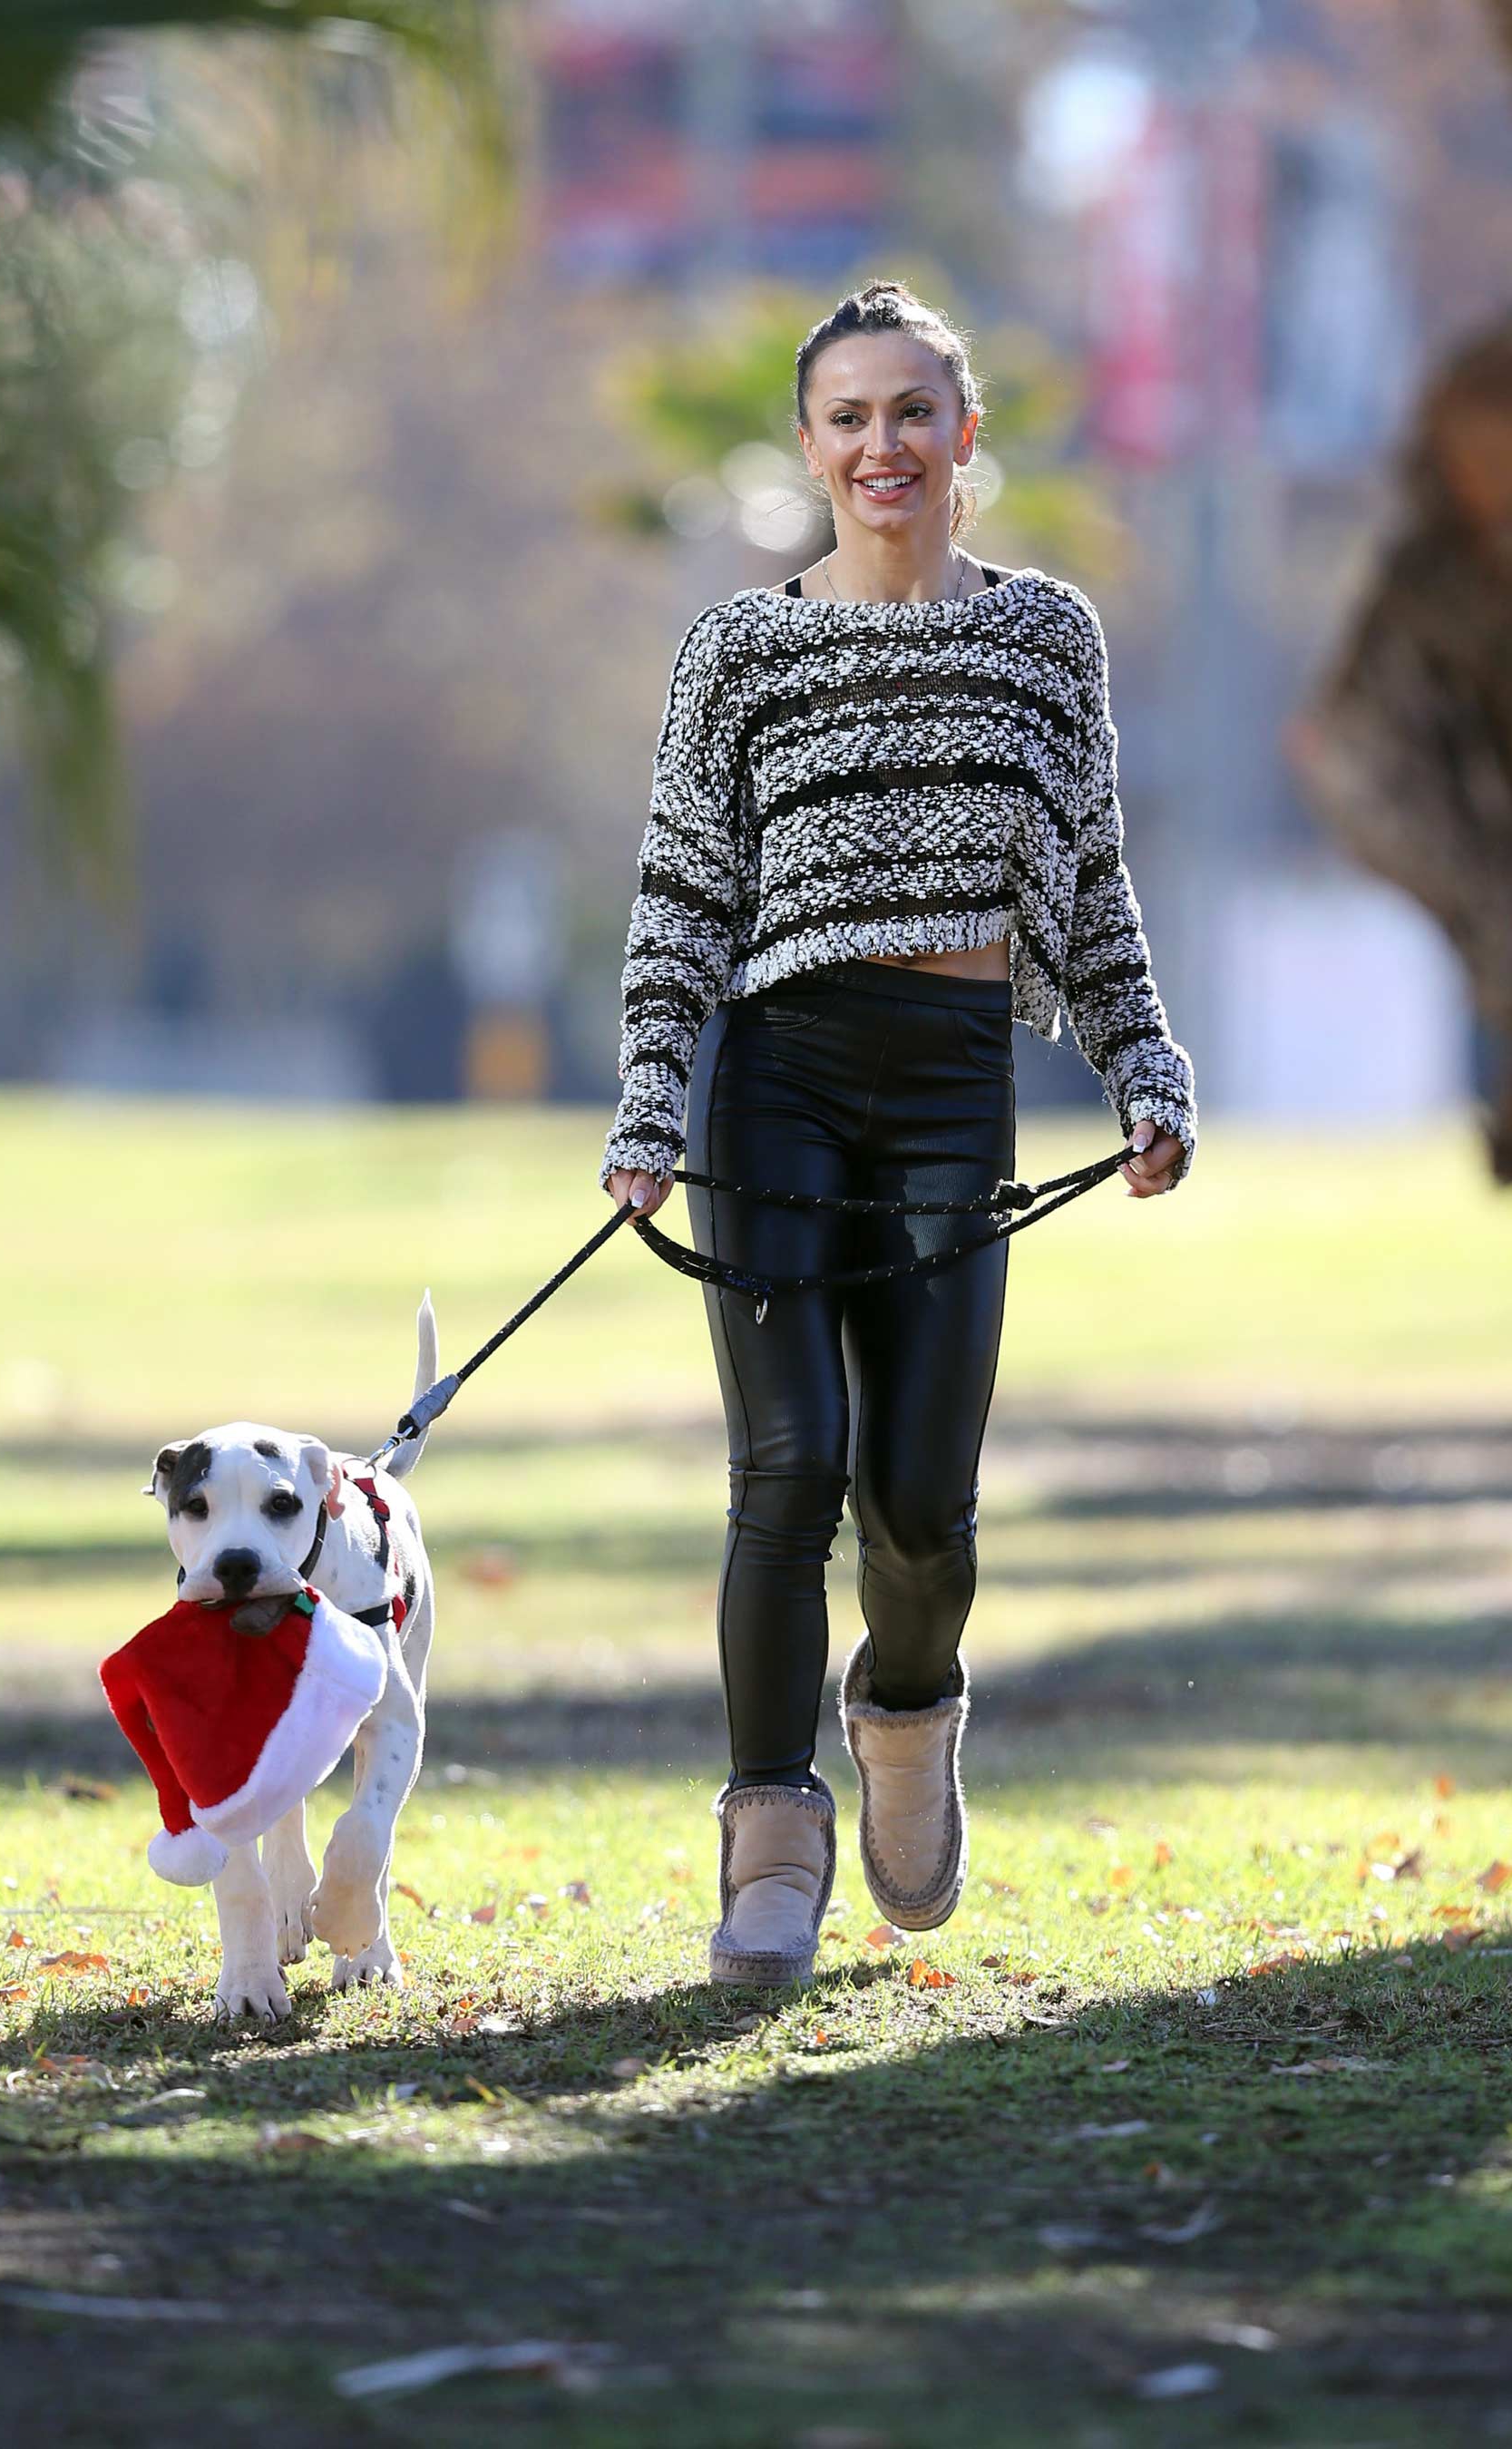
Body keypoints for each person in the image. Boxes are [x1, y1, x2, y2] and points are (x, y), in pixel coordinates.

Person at [600, 279, 1195, 1987]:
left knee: (920, 1502)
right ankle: (769, 1844)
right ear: (807, 445)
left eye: (912, 413)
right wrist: (653, 1101)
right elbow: (682, 898)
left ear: (965, 434)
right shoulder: (740, 647)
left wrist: (1142, 1061)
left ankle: (910, 1717)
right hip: (778, 1077)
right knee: (787, 1467)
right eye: (849, 418)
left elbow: (1086, 880)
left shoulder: (1043, 638)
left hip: (953, 1079)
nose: (883, 445)